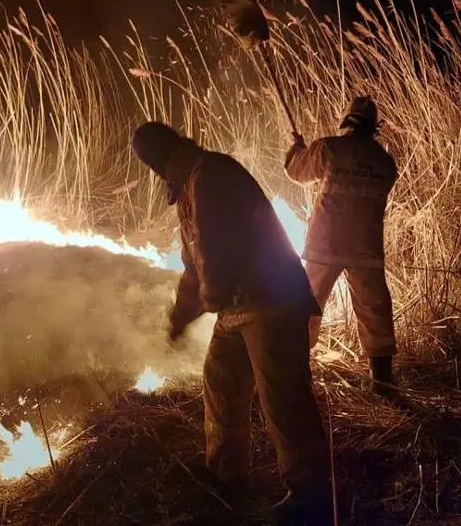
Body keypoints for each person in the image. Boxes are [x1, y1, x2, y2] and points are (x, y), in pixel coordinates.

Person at [131, 121, 333, 525]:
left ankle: (311, 495)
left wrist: (210, 297)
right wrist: (178, 319)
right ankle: (226, 475)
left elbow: (212, 253)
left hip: (271, 301)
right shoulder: (189, 184)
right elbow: (194, 266)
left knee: (284, 399)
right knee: (221, 379)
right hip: (239, 308)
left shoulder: (209, 176)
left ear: (162, 159)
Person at [283, 96, 398, 396]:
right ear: (375, 127)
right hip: (365, 248)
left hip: (326, 244)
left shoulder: (329, 148)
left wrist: (297, 149)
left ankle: (294, 375)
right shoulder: (386, 163)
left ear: (346, 120)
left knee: (305, 305)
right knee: (375, 309)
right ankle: (382, 381)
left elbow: (297, 172)